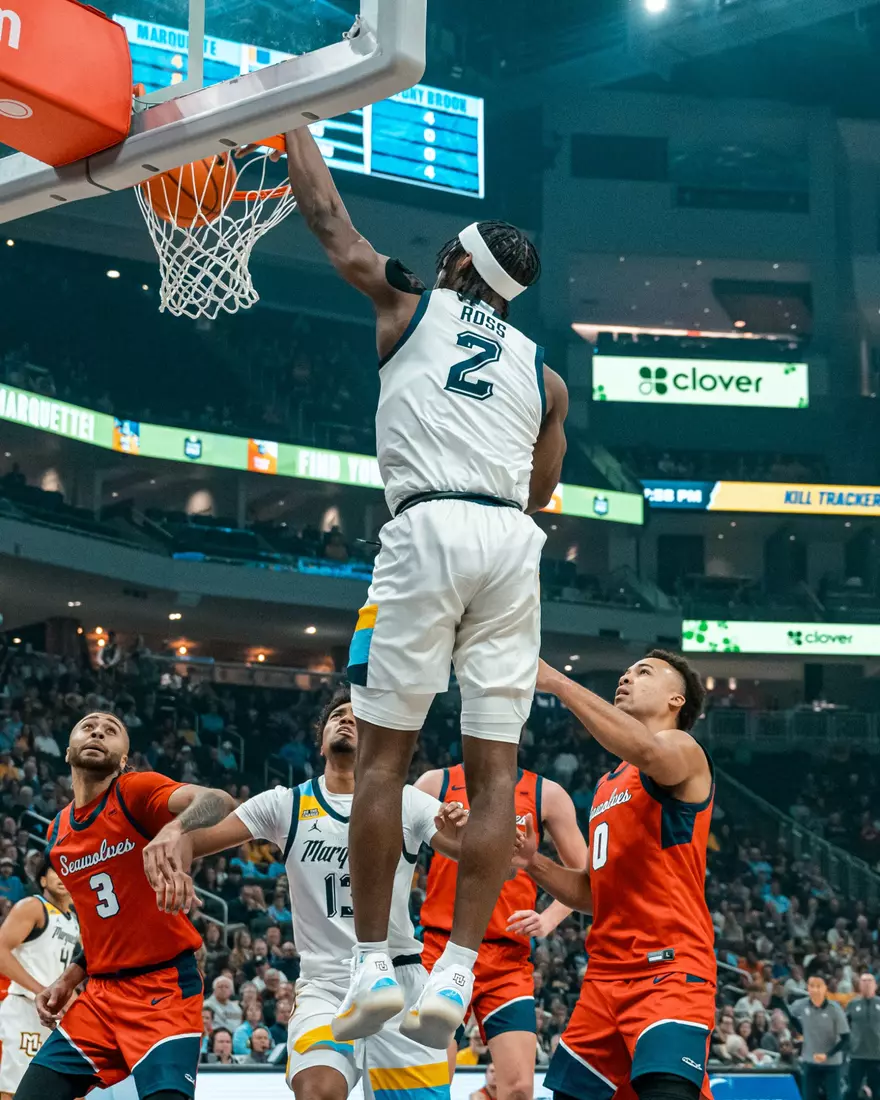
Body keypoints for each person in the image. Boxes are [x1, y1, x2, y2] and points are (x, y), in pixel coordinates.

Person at [276, 125, 568, 1048]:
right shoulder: (545, 374)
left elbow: (328, 220)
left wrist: (289, 117)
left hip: (427, 526)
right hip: (511, 544)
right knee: (495, 779)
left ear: (452, 262)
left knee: (382, 762)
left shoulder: (412, 303)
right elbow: (541, 491)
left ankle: (369, 963)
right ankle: (457, 972)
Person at [149, 688, 465, 1100]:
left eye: (358, 717)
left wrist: (464, 831)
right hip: (327, 983)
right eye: (338, 715)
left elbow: (468, 851)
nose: (346, 720)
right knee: (317, 1090)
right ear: (320, 743)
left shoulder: (406, 801)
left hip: (400, 980)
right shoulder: (286, 804)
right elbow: (197, 841)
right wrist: (175, 847)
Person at [512, 653, 717, 1100]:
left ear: (676, 699)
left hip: (669, 968)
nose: (627, 675)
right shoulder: (607, 785)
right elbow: (592, 894)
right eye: (626, 670)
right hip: (604, 979)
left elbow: (645, 749)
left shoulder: (682, 748)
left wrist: (557, 683)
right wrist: (534, 862)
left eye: (644, 672)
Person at [15, 711, 236, 1100]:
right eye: (87, 726)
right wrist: (69, 979)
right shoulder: (57, 833)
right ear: (67, 752)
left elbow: (218, 799)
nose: (98, 730)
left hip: (163, 989)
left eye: (111, 730)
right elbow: (101, 926)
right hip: (99, 996)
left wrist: (175, 827)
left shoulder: (135, 792)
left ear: (122, 761)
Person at [416, 764, 586, 1100]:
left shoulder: (545, 793)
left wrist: (550, 918)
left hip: (506, 957)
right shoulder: (437, 783)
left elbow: (586, 873)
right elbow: (393, 849)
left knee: (520, 1088)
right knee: (430, 1082)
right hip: (442, 949)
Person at [0, 854, 79, 1098]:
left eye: (67, 871)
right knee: (12, 1089)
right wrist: (40, 989)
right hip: (24, 1010)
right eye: (55, 871)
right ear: (43, 880)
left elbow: (59, 970)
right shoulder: (33, 907)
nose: (62, 877)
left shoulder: (73, 921)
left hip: (51, 1015)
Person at [790, 975, 849, 1100]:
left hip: (831, 1063)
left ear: (824, 988)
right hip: (809, 1059)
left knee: (834, 1097)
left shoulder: (835, 1009)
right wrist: (802, 1030)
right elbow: (790, 1014)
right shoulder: (801, 1005)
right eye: (812, 986)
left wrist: (828, 1055)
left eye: (818, 986)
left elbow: (845, 1038)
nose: (815, 990)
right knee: (808, 1096)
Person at [847, 972, 880, 1099]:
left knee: (877, 1091)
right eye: (863, 981)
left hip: (877, 1055)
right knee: (852, 1090)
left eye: (870, 981)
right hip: (857, 1054)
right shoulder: (852, 1005)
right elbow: (844, 1027)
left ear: (875, 985)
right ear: (859, 985)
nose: (867, 984)